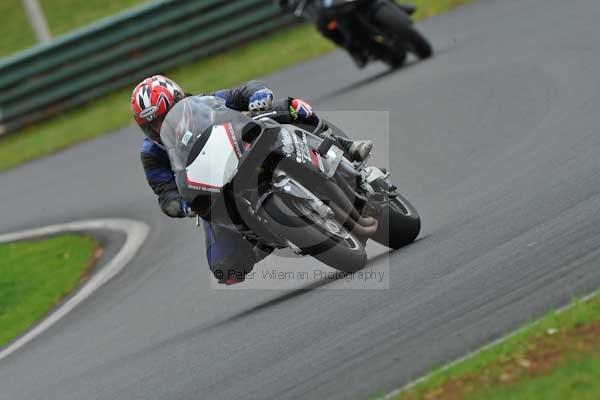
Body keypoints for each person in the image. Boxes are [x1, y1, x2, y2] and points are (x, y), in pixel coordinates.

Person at [130, 75, 372, 284]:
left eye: (163, 117)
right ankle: (264, 238)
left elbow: (243, 91)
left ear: (179, 100)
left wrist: (257, 94)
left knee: (288, 107)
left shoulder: (202, 104)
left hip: (246, 145)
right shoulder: (151, 153)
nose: (159, 126)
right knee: (226, 269)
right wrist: (181, 205)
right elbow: (165, 193)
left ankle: (343, 146)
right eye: (151, 124)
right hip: (213, 184)